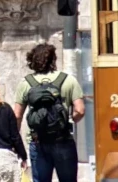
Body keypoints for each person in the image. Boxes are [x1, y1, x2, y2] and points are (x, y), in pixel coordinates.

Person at [13, 43, 85, 182]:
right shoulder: (68, 80)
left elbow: (17, 115)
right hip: (63, 139)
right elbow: (80, 110)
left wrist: (16, 143)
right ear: (53, 60)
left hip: (38, 141)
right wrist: (68, 120)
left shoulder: (26, 83)